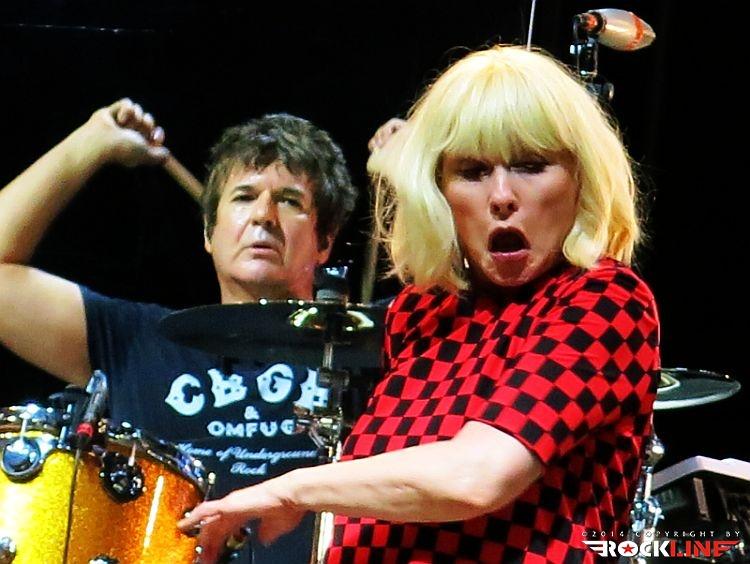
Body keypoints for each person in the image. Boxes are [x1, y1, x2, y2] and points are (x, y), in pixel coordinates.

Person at [179, 44, 661, 563]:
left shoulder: (605, 301)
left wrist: (292, 489)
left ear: (581, 179)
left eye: (530, 165)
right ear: (437, 191)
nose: (501, 195)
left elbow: (477, 477)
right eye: (472, 171)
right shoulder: (420, 313)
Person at [0, 99, 358, 563]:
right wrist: (86, 145)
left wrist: (418, 171)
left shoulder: (362, 348)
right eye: (244, 197)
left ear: (325, 241)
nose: (264, 216)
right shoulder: (138, 338)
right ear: (208, 233)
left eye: (289, 201)